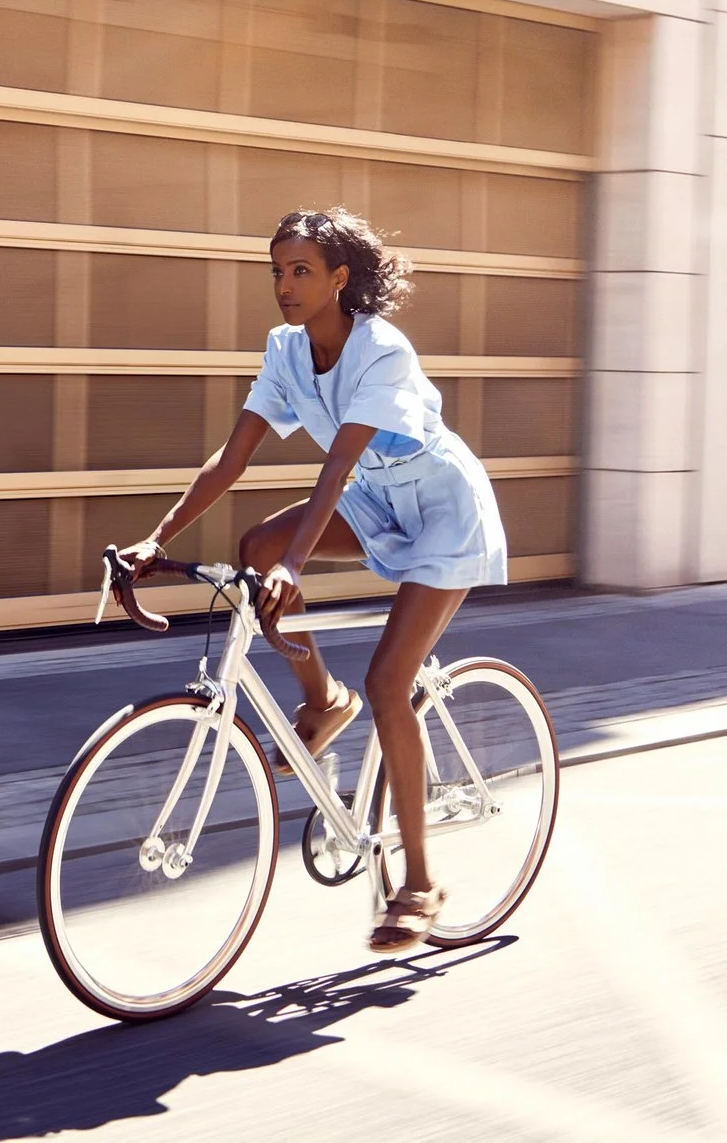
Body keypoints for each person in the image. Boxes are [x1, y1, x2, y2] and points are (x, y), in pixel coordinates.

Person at [114, 207, 508, 954]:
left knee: (389, 682)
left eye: (300, 271)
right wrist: (158, 537)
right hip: (376, 500)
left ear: (339, 278)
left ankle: (420, 884)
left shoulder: (381, 351)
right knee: (258, 545)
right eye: (277, 272)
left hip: (443, 509)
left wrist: (296, 564)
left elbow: (337, 465)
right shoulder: (286, 350)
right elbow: (232, 459)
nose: (285, 286)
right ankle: (323, 699)